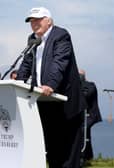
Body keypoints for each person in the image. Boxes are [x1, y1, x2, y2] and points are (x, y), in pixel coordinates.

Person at [16, 7, 85, 168]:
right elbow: (26, 64)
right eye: (31, 21)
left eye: (38, 19)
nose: (34, 24)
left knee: (68, 157)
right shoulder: (32, 39)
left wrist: (51, 85)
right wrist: (18, 84)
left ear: (49, 21)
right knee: (53, 153)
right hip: (45, 102)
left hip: (66, 104)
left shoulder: (61, 36)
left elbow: (59, 63)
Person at [79, 69, 102, 166]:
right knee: (85, 134)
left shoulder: (90, 85)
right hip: (82, 114)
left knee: (82, 131)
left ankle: (82, 156)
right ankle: (88, 156)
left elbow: (86, 95)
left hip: (91, 115)